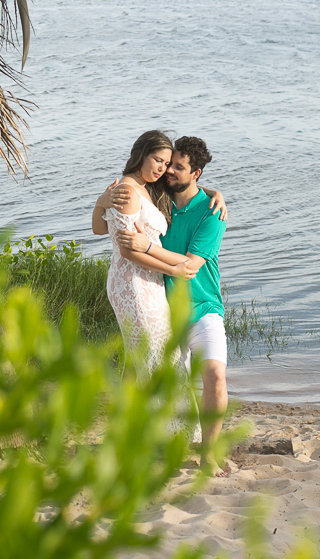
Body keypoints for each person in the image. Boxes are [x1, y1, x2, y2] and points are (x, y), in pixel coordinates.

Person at [94, 136, 231, 476]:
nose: (166, 170)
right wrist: (101, 201)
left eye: (174, 166)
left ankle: (205, 452)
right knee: (148, 365)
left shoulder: (211, 212)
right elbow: (110, 233)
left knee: (210, 375)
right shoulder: (156, 193)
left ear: (195, 174)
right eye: (163, 162)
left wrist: (215, 193)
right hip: (153, 295)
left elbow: (192, 264)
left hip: (202, 306)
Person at [93, 130, 202, 441]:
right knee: (157, 353)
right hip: (132, 283)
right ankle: (166, 434)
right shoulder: (128, 192)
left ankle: (128, 430)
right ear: (141, 154)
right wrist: (173, 268)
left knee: (140, 357)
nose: (162, 168)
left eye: (166, 163)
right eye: (157, 160)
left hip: (147, 281)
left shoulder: (145, 188)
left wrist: (214, 194)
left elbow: (99, 227)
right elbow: (127, 250)